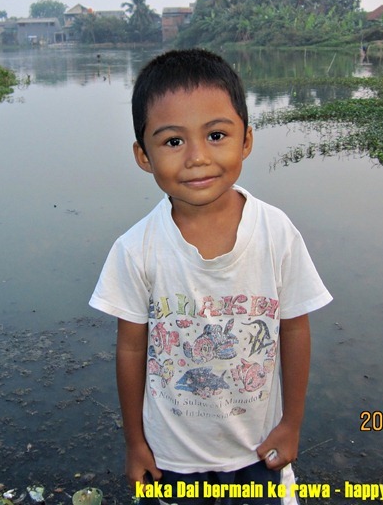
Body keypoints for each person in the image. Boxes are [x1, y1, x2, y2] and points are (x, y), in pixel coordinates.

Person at [90, 49, 332, 504]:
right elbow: (129, 348)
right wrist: (136, 443)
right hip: (171, 459)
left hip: (258, 450)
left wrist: (291, 423)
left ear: (246, 141)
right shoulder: (135, 249)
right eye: (173, 142)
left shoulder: (276, 232)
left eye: (216, 135)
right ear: (143, 155)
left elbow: (295, 329)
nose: (198, 158)